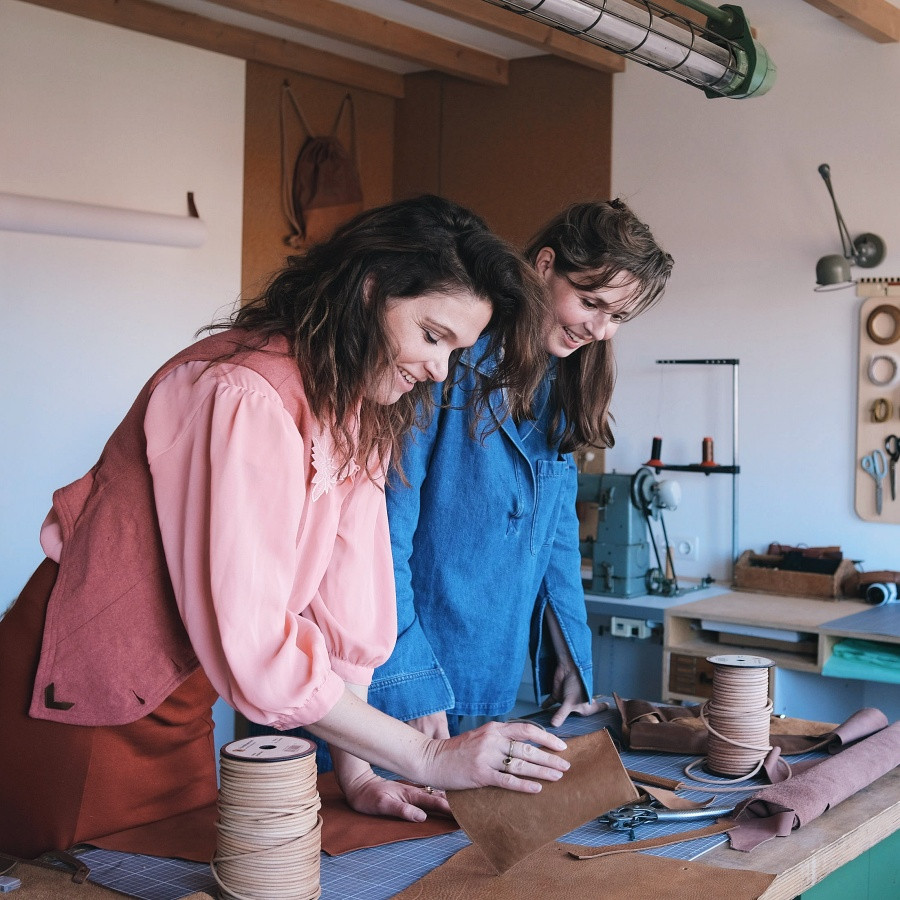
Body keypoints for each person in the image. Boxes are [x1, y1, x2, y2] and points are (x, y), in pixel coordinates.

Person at [0, 195, 571, 863]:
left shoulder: (353, 406)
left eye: (458, 350)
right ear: (371, 289)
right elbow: (256, 642)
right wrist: (425, 755)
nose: (439, 370)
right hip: (78, 699)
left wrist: (358, 770)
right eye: (432, 335)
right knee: (83, 880)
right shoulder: (244, 393)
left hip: (179, 702)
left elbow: (348, 617)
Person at [365, 199, 673, 796]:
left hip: (491, 677)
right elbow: (384, 530)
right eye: (590, 303)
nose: (598, 330)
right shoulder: (445, 362)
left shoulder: (562, 385)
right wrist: (408, 675)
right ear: (544, 264)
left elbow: (556, 533)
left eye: (617, 318)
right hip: (399, 678)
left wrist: (572, 658)